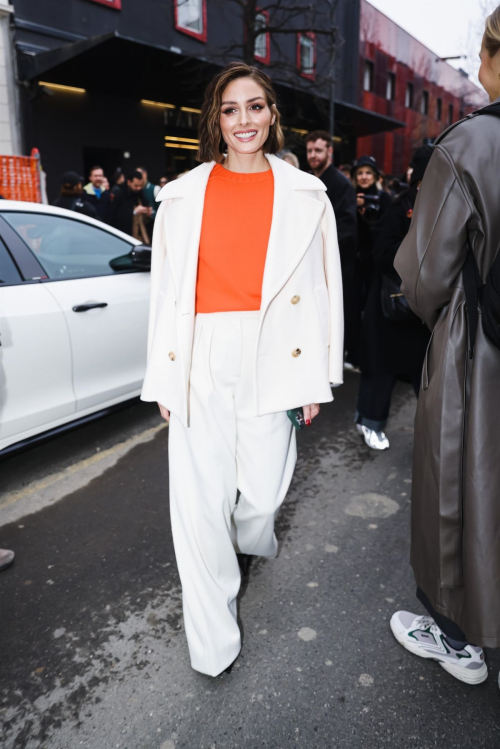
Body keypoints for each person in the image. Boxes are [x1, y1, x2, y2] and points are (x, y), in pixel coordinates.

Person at [140, 61, 343, 677]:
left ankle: (246, 542)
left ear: (272, 114)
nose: (244, 120)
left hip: (275, 352)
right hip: (200, 352)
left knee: (261, 493)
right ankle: (212, 644)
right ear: (216, 121)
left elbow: (326, 287)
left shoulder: (307, 195)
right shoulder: (182, 197)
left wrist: (319, 378)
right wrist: (163, 378)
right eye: (231, 110)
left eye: (255, 106)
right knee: (198, 505)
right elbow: (164, 296)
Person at [390, 5, 500, 686]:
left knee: (463, 488)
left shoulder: (469, 145)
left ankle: (458, 636)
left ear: (492, 56)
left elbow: (423, 273)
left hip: (479, 354)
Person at [354, 147, 433, 450]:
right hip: (392, 304)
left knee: (424, 371)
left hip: (417, 307)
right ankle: (369, 421)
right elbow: (381, 251)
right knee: (382, 368)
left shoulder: (441, 203)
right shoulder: (403, 205)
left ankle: (435, 430)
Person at [306, 131, 358, 365]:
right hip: (312, 260)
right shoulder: (307, 180)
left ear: (329, 152)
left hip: (334, 262)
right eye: (309, 151)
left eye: (317, 150)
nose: (312, 155)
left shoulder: (340, 183)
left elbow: (347, 226)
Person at [349, 155, 392, 366]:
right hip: (355, 263)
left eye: (368, 173)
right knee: (354, 309)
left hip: (375, 264)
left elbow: (386, 230)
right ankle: (354, 353)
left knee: (373, 310)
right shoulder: (350, 196)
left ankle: (372, 354)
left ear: (375, 176)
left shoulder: (383, 198)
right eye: (360, 173)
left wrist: (371, 218)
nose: (364, 177)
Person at [108, 170, 152, 242]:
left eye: (140, 186)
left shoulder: (140, 194)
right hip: (124, 236)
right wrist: (134, 211)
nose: (138, 188)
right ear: (129, 182)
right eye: (136, 186)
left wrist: (147, 212)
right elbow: (115, 216)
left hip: (140, 236)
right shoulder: (119, 194)